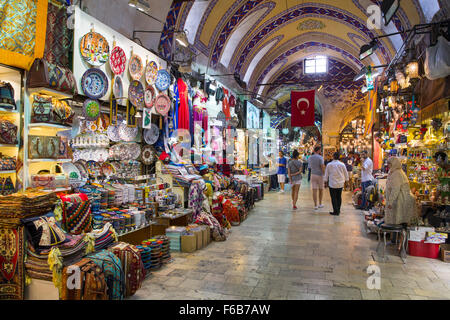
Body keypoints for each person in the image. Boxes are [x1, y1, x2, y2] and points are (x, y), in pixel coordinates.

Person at [384, 157, 416, 224]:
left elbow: (396, 189)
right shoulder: (393, 172)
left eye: (389, 164)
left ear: (394, 164)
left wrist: (390, 201)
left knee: (398, 221)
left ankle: (397, 234)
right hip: (398, 199)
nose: (388, 165)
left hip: (401, 199)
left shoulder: (397, 173)